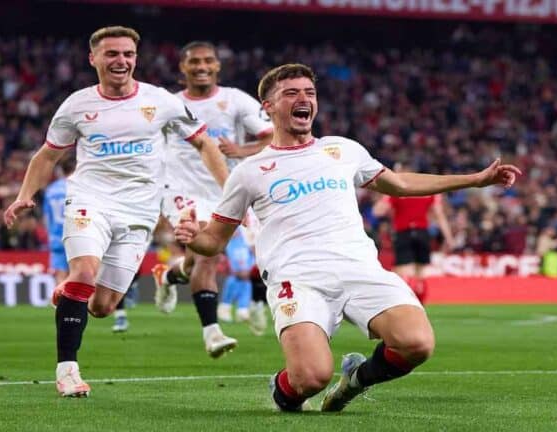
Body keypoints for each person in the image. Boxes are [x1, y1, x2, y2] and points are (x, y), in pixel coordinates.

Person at [174, 64, 521, 412]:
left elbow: (400, 184)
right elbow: (214, 241)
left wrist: (475, 180)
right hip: (298, 277)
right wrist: (193, 238)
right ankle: (285, 388)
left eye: (310, 93)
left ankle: (354, 381)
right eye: (291, 93)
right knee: (310, 378)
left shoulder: (342, 150)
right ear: (268, 107)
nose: (304, 99)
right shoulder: (249, 172)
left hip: (359, 268)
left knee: (416, 343)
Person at [3, 26, 228, 398]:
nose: (121, 60)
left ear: (135, 59)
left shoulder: (161, 101)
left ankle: (71, 291)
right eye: (111, 54)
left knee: (103, 307)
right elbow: (47, 155)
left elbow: (204, 143)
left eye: (127, 54)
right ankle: (67, 371)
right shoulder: (77, 105)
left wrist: (228, 191)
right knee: (84, 271)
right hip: (90, 200)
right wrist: (25, 195)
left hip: (139, 213)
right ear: (93, 58)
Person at [153, 41, 273, 358]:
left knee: (198, 259)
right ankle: (212, 332)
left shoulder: (235, 100)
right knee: (208, 256)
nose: (202, 67)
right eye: (194, 62)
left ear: (217, 65)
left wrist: (241, 150)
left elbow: (272, 136)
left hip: (226, 189)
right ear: (183, 67)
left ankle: (169, 275)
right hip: (181, 190)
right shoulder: (170, 104)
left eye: (208, 61)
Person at [372, 178, 454, 304]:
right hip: (422, 233)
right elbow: (439, 214)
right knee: (420, 274)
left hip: (403, 233)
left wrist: (386, 196)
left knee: (404, 273)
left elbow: (378, 211)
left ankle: (405, 304)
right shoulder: (430, 192)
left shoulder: (397, 191)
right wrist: (448, 237)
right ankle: (420, 304)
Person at [43, 157, 75, 286]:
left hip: (56, 237)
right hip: (75, 234)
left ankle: (61, 299)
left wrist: (50, 234)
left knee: (60, 276)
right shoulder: (77, 187)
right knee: (80, 273)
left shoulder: (51, 189)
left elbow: (46, 217)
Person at [217, 227, 255, 323]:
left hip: (246, 269)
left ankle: (243, 310)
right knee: (232, 285)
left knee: (246, 286)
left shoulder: (246, 238)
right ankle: (225, 308)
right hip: (234, 271)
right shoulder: (229, 244)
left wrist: (250, 269)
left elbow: (251, 253)